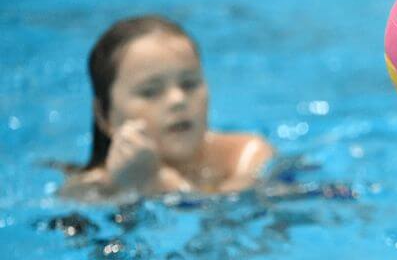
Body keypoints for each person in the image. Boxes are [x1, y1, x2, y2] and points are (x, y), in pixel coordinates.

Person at [60, 15, 274, 201]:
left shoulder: (244, 156)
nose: (177, 99)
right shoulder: (91, 189)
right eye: (150, 92)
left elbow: (230, 219)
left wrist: (156, 181)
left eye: (189, 84)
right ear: (105, 116)